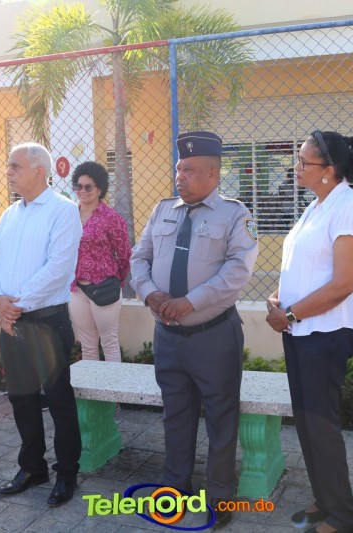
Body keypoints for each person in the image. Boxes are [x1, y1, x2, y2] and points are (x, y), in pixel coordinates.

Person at [130, 131, 258, 529]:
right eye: (178, 169)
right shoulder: (162, 210)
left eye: (188, 170)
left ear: (213, 174)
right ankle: (175, 489)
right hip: (168, 337)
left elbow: (237, 271)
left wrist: (190, 302)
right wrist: (150, 293)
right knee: (176, 415)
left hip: (213, 337)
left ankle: (220, 496)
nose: (179, 177)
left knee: (221, 418)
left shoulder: (234, 215)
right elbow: (139, 257)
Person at [266, 131, 353, 533]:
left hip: (325, 334)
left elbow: (343, 283)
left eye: (303, 162)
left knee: (321, 427)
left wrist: (290, 314)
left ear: (329, 170)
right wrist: (279, 298)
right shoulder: (317, 205)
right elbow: (306, 268)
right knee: (308, 424)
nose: (296, 167)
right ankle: (325, 502)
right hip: (301, 331)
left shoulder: (349, 207)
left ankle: (342, 517)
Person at [0, 142, 82, 506]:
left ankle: (67, 473)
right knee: (22, 399)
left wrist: (15, 306)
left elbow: (58, 268)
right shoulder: (10, 214)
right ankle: (32, 467)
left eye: (15, 166)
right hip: (12, 321)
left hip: (46, 322)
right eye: (9, 166)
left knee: (58, 401)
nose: (8, 171)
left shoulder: (63, 210)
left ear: (39, 171)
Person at [69, 161, 131, 361]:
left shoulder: (111, 217)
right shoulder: (69, 215)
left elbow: (124, 254)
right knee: (87, 345)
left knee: (109, 342)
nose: (82, 191)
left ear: (99, 189)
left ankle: (113, 383)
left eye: (88, 187)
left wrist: (116, 281)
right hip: (77, 289)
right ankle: (92, 383)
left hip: (104, 287)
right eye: (78, 186)